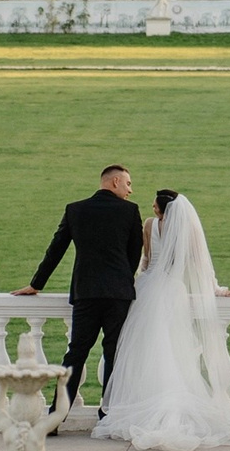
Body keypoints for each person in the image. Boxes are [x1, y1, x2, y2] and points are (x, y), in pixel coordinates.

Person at [94, 190, 230, 451]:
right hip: (171, 290)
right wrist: (215, 289)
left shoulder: (148, 225)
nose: (151, 207)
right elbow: (199, 263)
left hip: (147, 289)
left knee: (145, 350)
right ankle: (167, 404)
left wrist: (137, 283)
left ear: (161, 210)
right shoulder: (182, 228)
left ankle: (144, 402)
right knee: (172, 350)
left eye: (154, 205)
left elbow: (146, 262)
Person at [16, 164, 143, 414]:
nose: (130, 190)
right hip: (118, 294)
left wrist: (36, 284)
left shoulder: (75, 210)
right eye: (128, 183)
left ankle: (57, 414)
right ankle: (107, 413)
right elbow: (134, 254)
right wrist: (123, 279)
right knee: (114, 352)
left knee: (76, 353)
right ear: (115, 181)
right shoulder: (130, 211)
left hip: (86, 292)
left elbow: (56, 249)